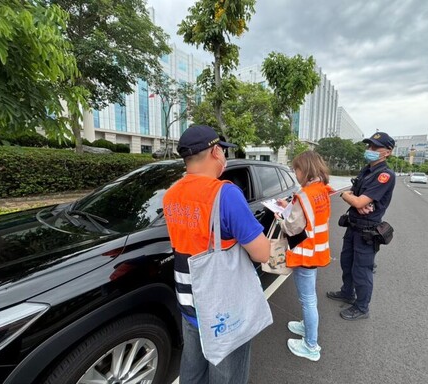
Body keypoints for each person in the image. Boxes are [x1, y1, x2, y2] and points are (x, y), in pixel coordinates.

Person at [163, 125, 270, 384]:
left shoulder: (170, 195)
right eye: (223, 151)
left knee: (192, 371)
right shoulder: (225, 193)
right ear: (214, 151)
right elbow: (262, 253)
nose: (224, 156)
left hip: (189, 301)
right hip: (223, 310)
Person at [327, 132, 396, 320]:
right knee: (346, 262)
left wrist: (349, 197)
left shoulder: (384, 175)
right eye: (369, 146)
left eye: (375, 147)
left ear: (387, 152)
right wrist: (353, 198)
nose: (370, 150)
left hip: (367, 230)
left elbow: (358, 202)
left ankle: (362, 307)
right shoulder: (367, 170)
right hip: (353, 225)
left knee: (362, 269)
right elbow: (355, 197)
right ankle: (347, 292)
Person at [274, 151, 332, 362]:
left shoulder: (305, 195)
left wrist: (281, 217)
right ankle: (306, 327)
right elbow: (310, 216)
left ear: (305, 169)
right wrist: (288, 207)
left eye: (296, 168)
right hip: (317, 250)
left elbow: (292, 226)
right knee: (309, 298)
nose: (295, 173)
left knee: (308, 300)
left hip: (305, 253)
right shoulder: (321, 190)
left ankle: (311, 345)